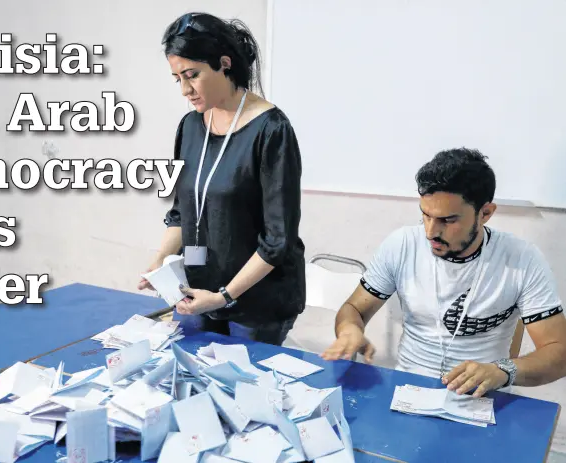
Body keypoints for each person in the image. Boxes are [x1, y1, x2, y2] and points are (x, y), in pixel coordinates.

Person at [321, 148, 566, 397]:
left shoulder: (521, 259)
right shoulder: (403, 244)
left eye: (447, 220)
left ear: (485, 213)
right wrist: (349, 329)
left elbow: (559, 352)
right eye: (425, 216)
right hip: (409, 388)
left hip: (480, 396)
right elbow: (354, 309)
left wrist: (503, 371)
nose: (430, 232)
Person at [137, 12, 306, 345]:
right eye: (177, 79)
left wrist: (224, 296)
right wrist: (158, 263)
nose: (185, 89)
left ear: (224, 64)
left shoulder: (271, 130)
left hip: (257, 304)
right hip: (198, 292)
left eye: (193, 75)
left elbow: (277, 241)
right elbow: (181, 212)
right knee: (188, 380)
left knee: (244, 391)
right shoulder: (190, 127)